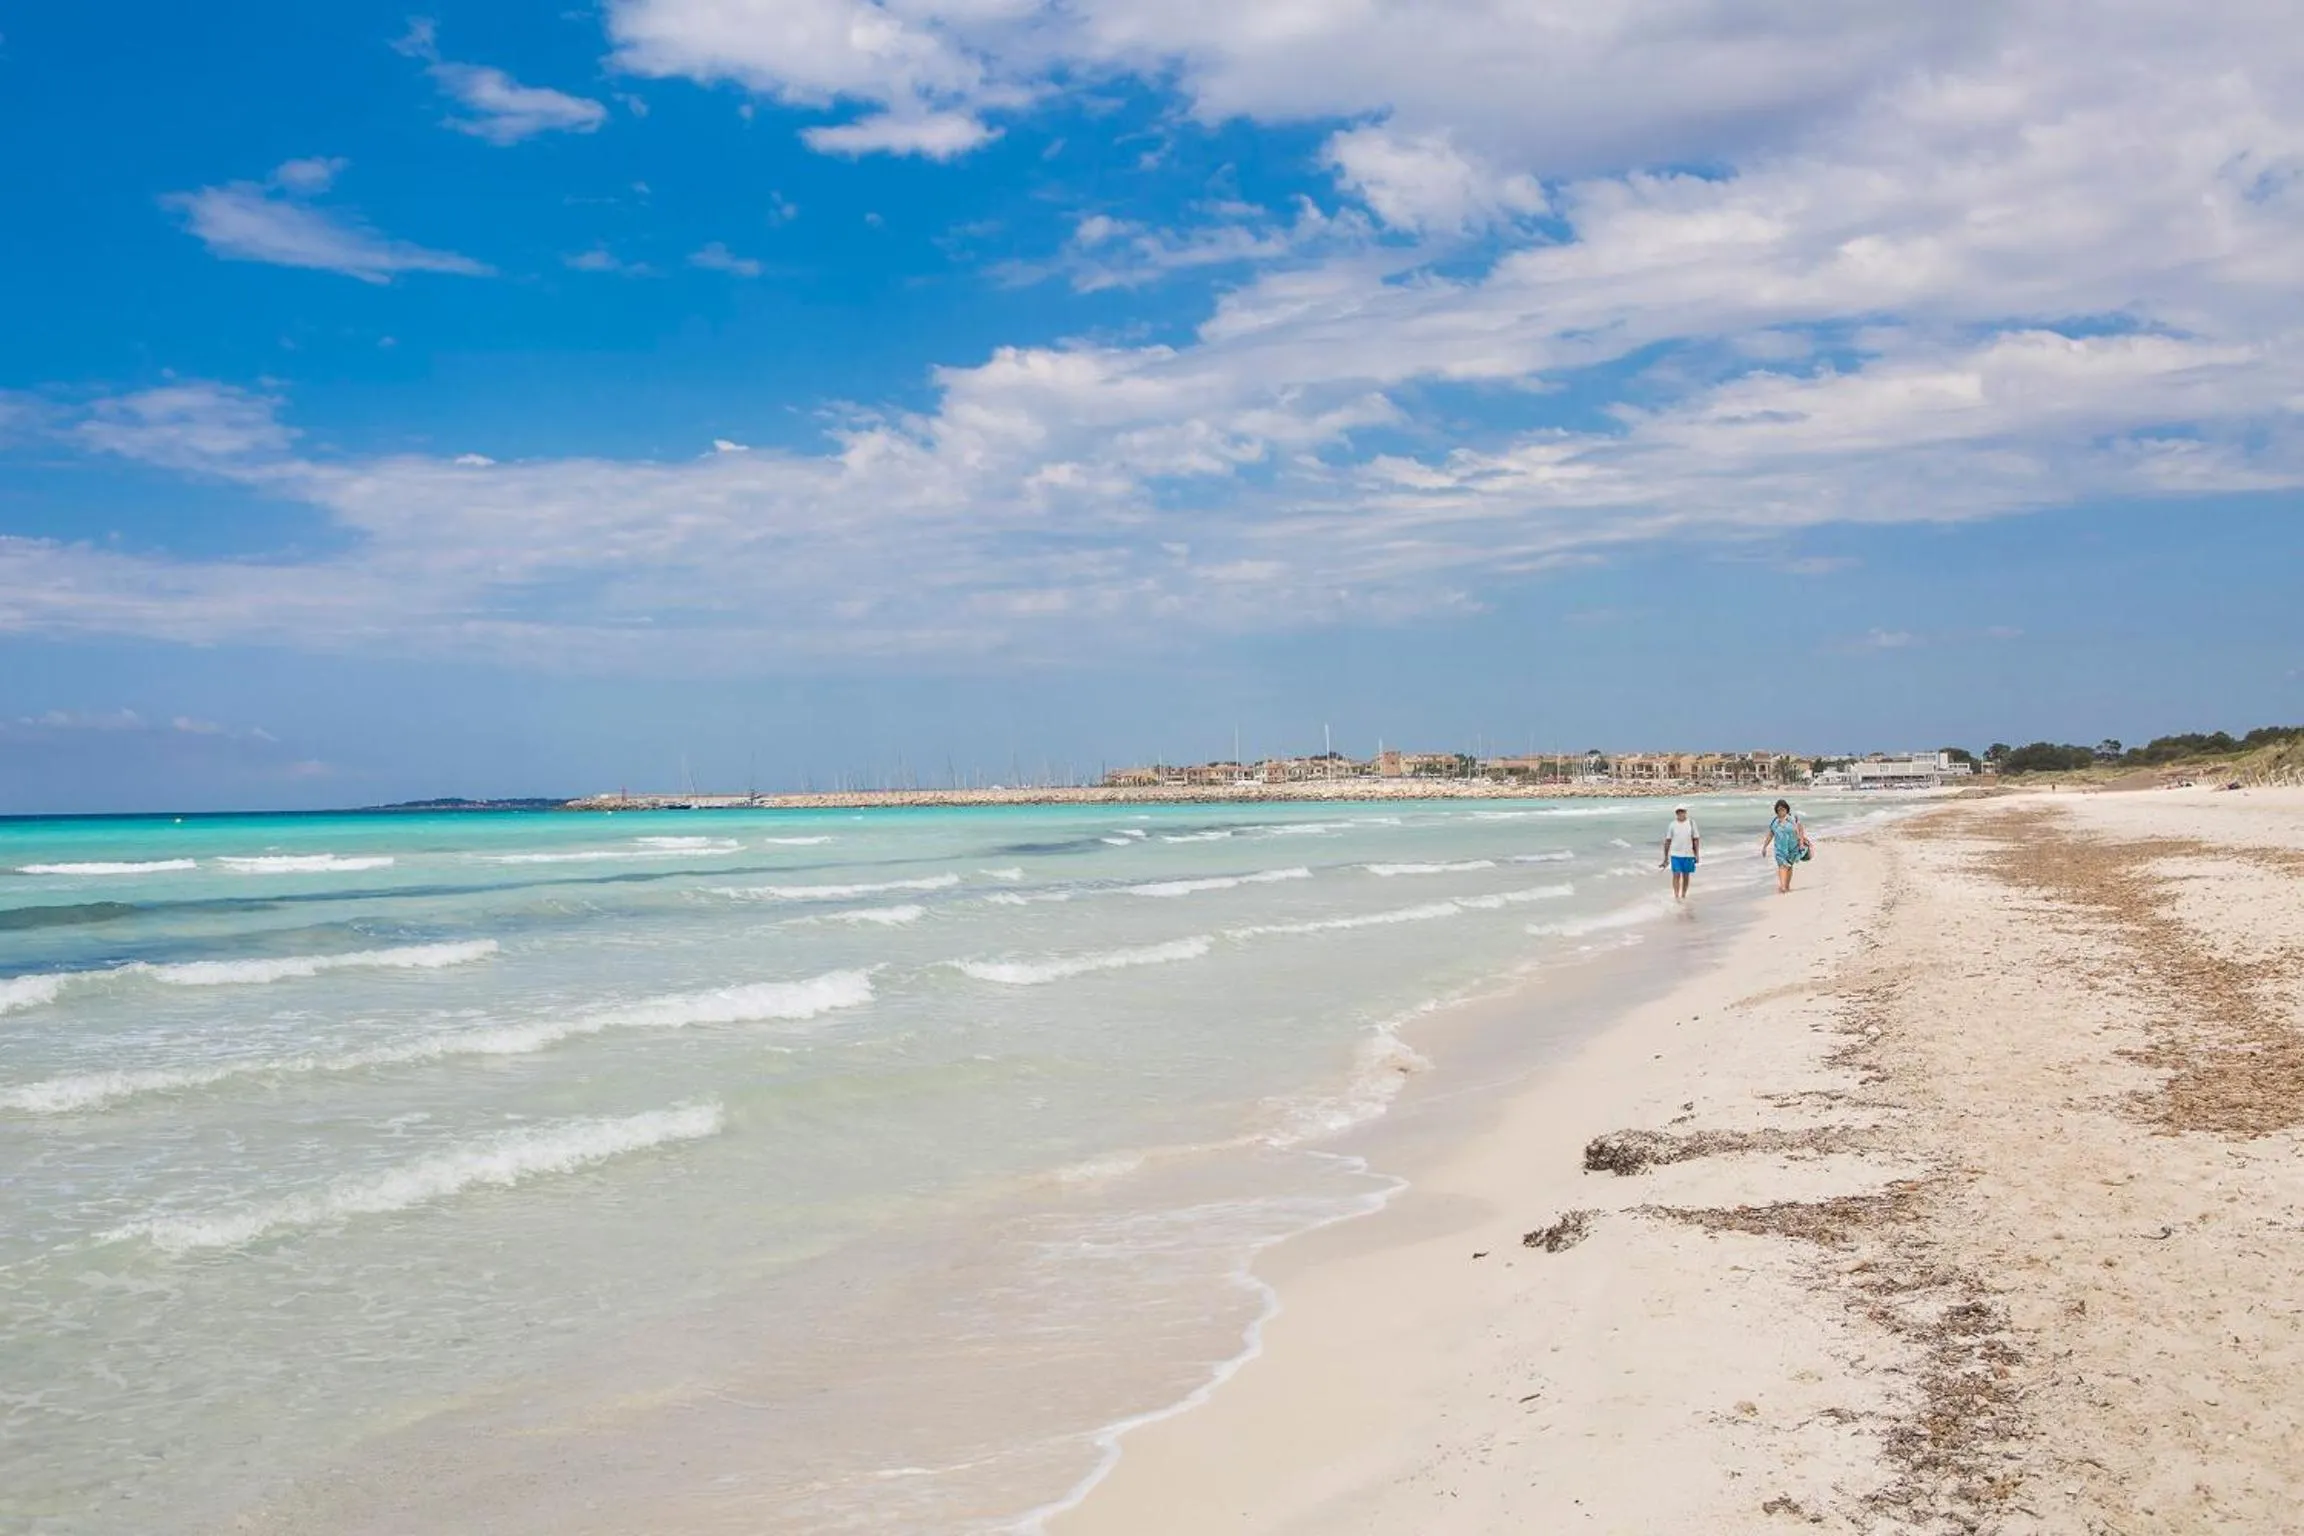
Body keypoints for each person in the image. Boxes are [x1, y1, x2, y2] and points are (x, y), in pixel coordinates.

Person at [1761, 798, 1812, 893]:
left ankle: (1787, 886)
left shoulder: (1793, 819)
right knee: (1782, 866)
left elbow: (1800, 830)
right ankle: (1782, 886)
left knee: (1789, 866)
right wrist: (1764, 846)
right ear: (1776, 811)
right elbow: (1770, 835)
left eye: (1783, 809)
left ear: (1787, 809)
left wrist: (1801, 842)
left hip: (1793, 847)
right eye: (1779, 810)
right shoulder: (1775, 822)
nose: (1781, 811)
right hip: (1780, 849)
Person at [1660, 805, 1699, 900]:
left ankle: (1683, 895)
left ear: (1685, 812)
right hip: (1675, 854)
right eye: (1678, 812)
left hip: (1688, 854)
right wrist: (1665, 857)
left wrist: (1697, 854)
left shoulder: (1691, 823)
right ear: (1676, 813)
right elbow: (1668, 840)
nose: (1680, 813)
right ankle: (1676, 896)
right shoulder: (1672, 825)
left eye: (1682, 811)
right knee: (1676, 874)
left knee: (1686, 876)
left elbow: (1696, 839)